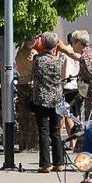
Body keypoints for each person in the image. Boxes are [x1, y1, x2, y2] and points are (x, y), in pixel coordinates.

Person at [29, 33, 66, 172]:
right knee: (56, 131)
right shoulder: (59, 60)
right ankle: (59, 162)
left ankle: (45, 164)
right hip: (56, 98)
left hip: (41, 99)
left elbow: (34, 49)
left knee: (43, 131)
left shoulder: (37, 59)